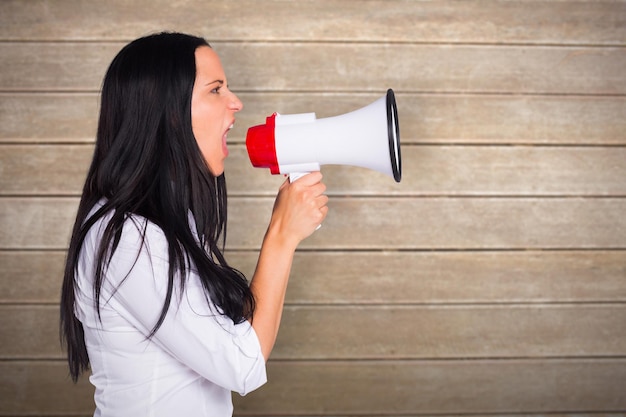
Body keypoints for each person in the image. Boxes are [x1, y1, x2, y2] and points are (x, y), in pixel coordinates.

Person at [60, 32, 328, 417]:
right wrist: (282, 237)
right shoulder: (128, 238)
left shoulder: (169, 222)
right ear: (167, 112)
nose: (236, 102)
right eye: (216, 90)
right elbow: (242, 363)